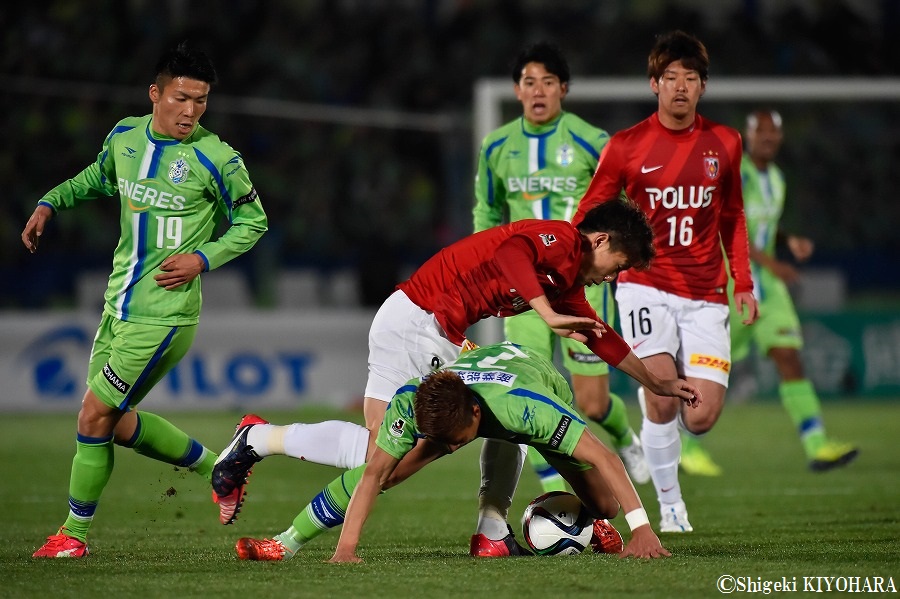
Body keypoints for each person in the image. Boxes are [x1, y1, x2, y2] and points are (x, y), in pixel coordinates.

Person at [213, 199, 700, 560]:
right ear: (600, 242)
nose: (612, 279)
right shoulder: (564, 240)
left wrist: (655, 382)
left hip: (412, 317)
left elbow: (601, 338)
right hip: (425, 323)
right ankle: (262, 442)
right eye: (618, 267)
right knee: (389, 458)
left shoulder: (566, 279)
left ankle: (489, 528)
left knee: (393, 448)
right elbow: (512, 252)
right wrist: (547, 314)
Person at [23, 41, 269, 558]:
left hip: (165, 315)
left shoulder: (217, 157)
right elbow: (97, 178)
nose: (190, 111)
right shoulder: (125, 136)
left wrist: (203, 259)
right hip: (118, 306)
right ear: (155, 93)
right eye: (181, 98)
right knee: (115, 421)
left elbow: (253, 222)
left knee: (93, 416)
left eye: (201, 101)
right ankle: (217, 466)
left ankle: (73, 535)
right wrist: (50, 202)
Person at [572, 30, 759, 533]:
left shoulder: (726, 143)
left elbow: (734, 215)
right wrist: (588, 264)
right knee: (660, 395)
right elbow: (589, 212)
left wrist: (743, 281)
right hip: (643, 285)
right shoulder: (627, 146)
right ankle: (671, 506)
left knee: (700, 416)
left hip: (705, 295)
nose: (680, 86)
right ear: (654, 84)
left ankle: (664, 435)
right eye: (671, 77)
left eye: (690, 78)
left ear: (702, 88)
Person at [327, 343, 696, 563]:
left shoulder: (532, 411)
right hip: (482, 386)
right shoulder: (413, 400)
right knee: (389, 471)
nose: (455, 448)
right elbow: (373, 474)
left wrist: (643, 531)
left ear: (475, 413)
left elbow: (606, 458)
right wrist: (346, 547)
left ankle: (591, 522)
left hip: (533, 378)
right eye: (449, 442)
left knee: (605, 506)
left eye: (458, 440)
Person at [473, 41, 648, 492]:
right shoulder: (496, 146)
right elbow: (487, 213)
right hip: (523, 291)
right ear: (516, 91)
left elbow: (622, 205)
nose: (538, 91)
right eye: (529, 82)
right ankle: (557, 494)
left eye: (547, 82)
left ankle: (626, 437)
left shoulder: (592, 141)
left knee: (590, 403)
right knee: (527, 393)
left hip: (583, 284)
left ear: (563, 90)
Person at [681, 109, 858, 473]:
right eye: (762, 133)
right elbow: (725, 225)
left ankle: (817, 445)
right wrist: (771, 262)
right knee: (712, 367)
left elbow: (763, 227)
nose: (769, 140)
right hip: (732, 280)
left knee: (789, 356)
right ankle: (684, 445)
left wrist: (787, 241)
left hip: (768, 288)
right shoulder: (734, 173)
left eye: (774, 134)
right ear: (748, 136)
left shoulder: (776, 178)